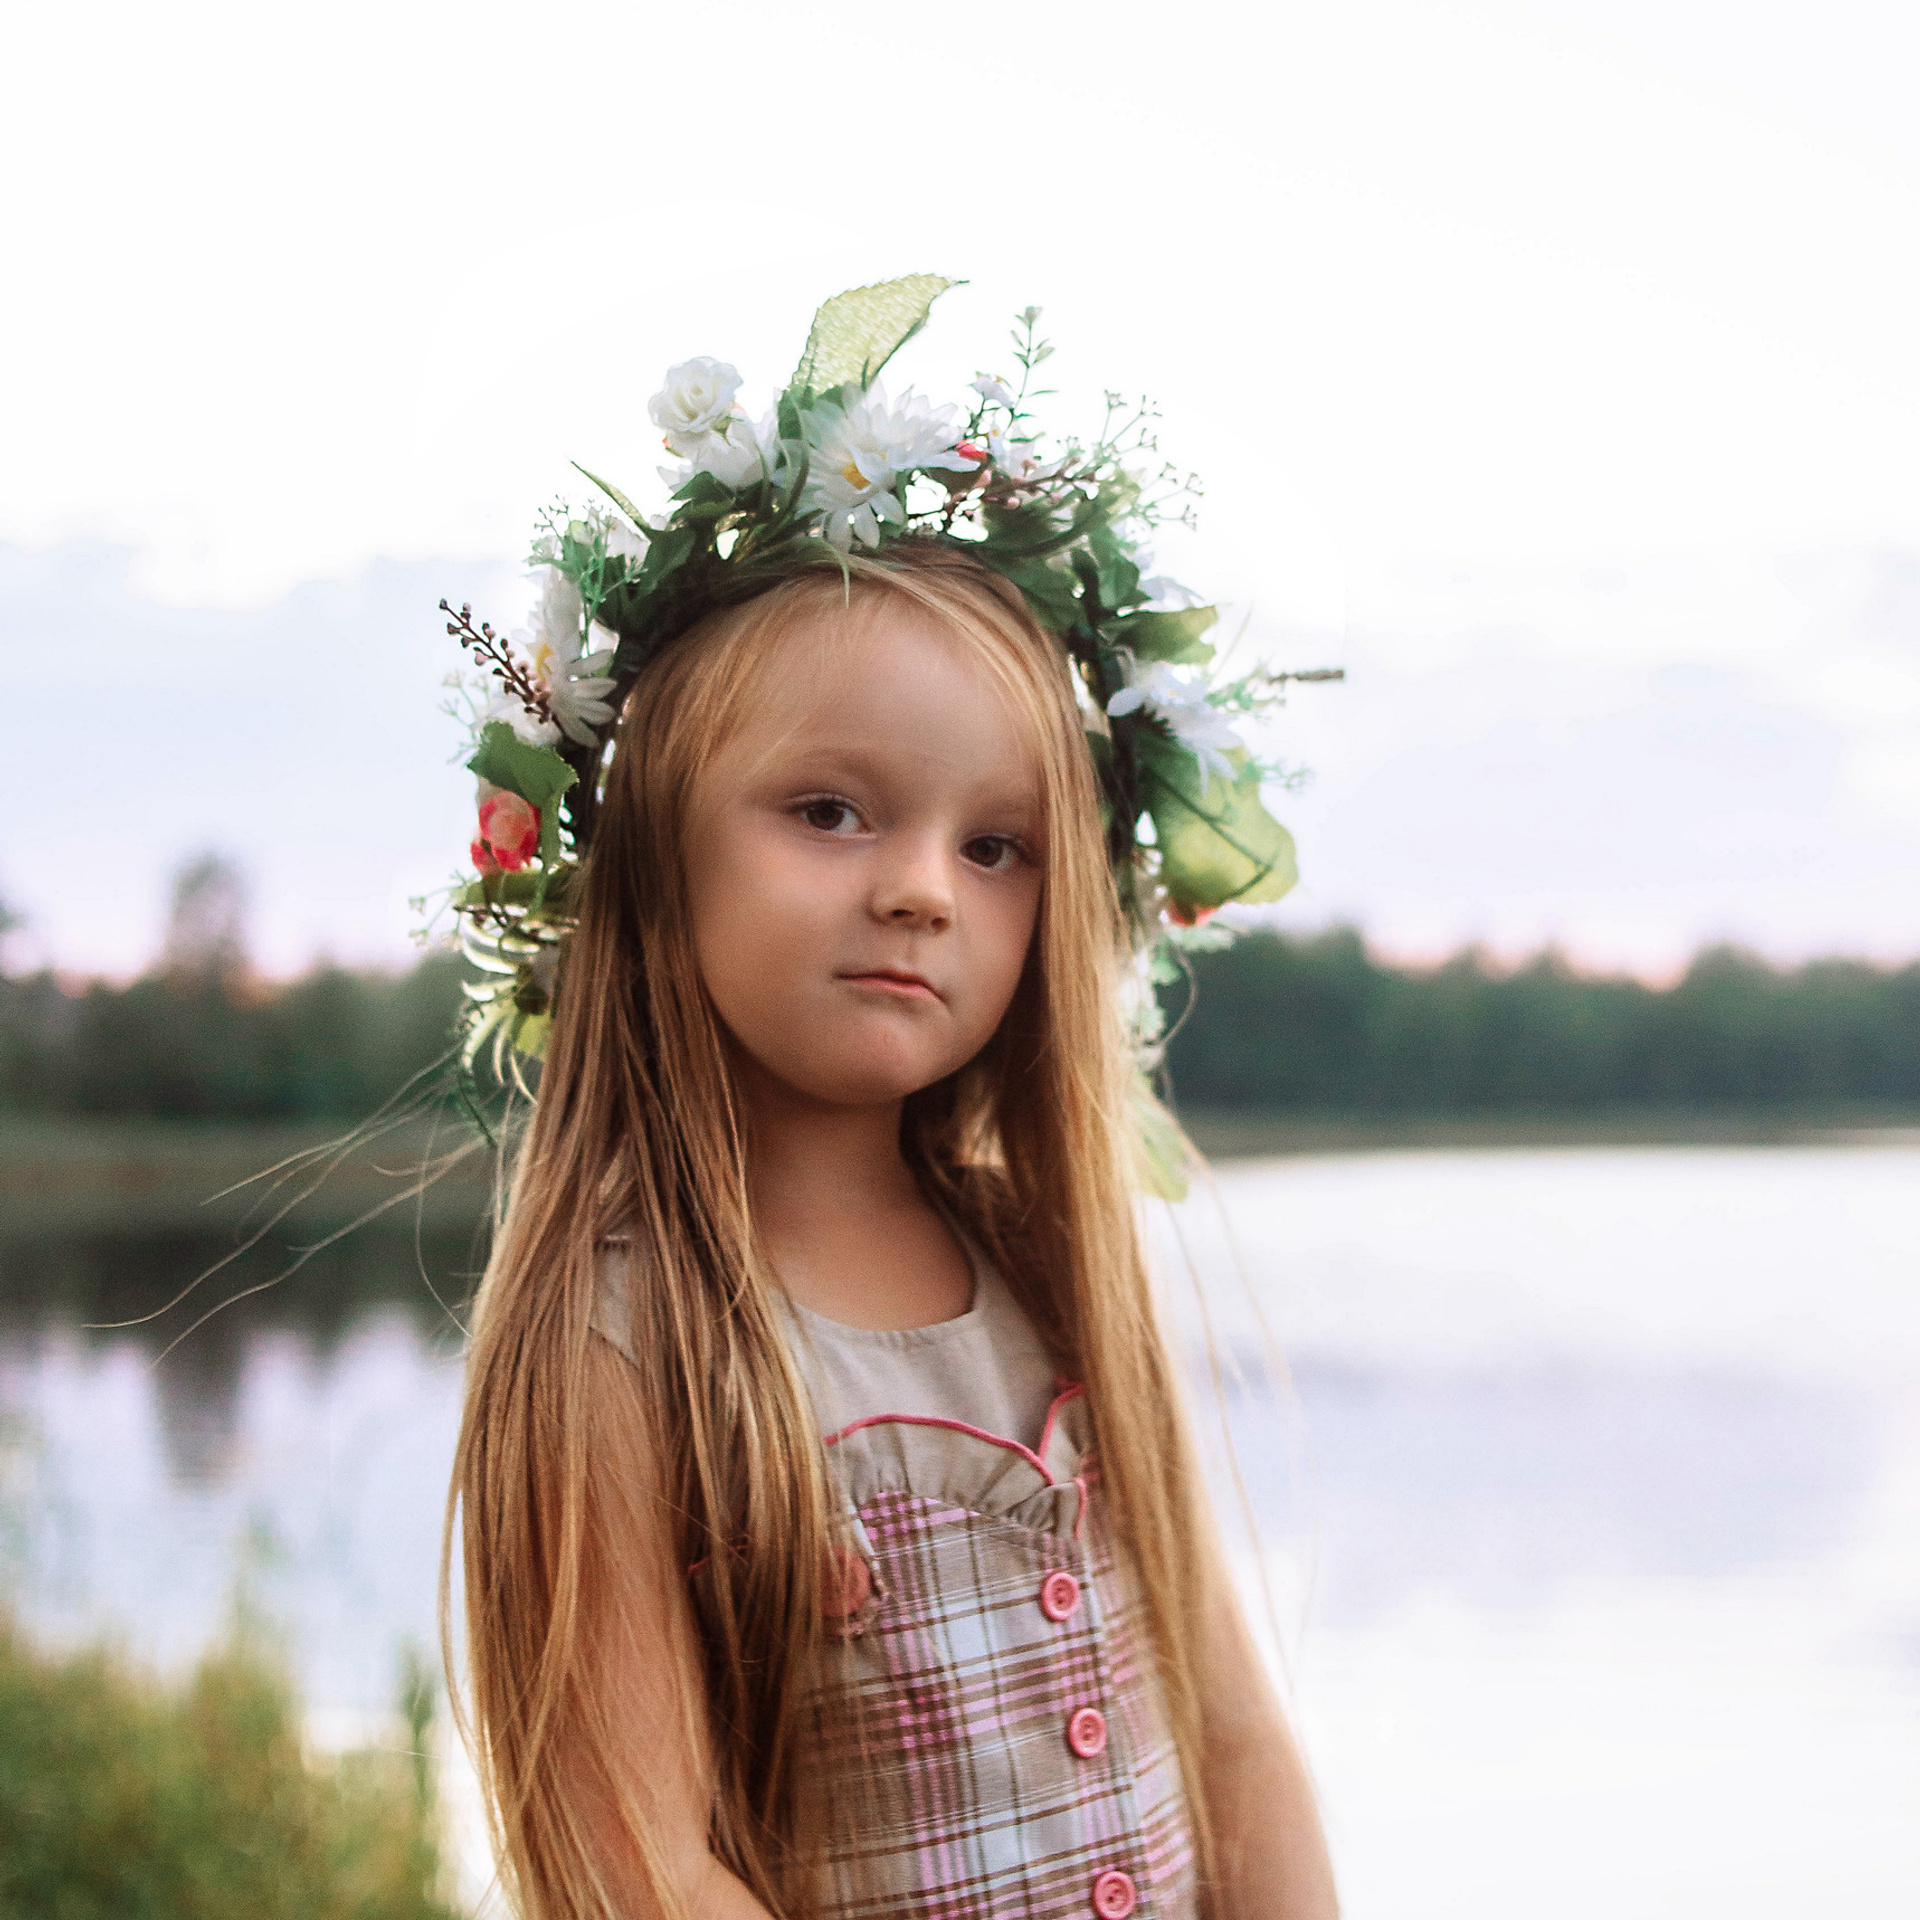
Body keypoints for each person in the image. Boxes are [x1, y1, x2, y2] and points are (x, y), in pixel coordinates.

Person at [445, 280, 1340, 1919]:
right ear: (655, 853)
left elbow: (1238, 1750)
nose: (925, 888)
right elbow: (647, 1866)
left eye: (993, 845)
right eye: (833, 809)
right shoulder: (626, 1341)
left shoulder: (1055, 1264)